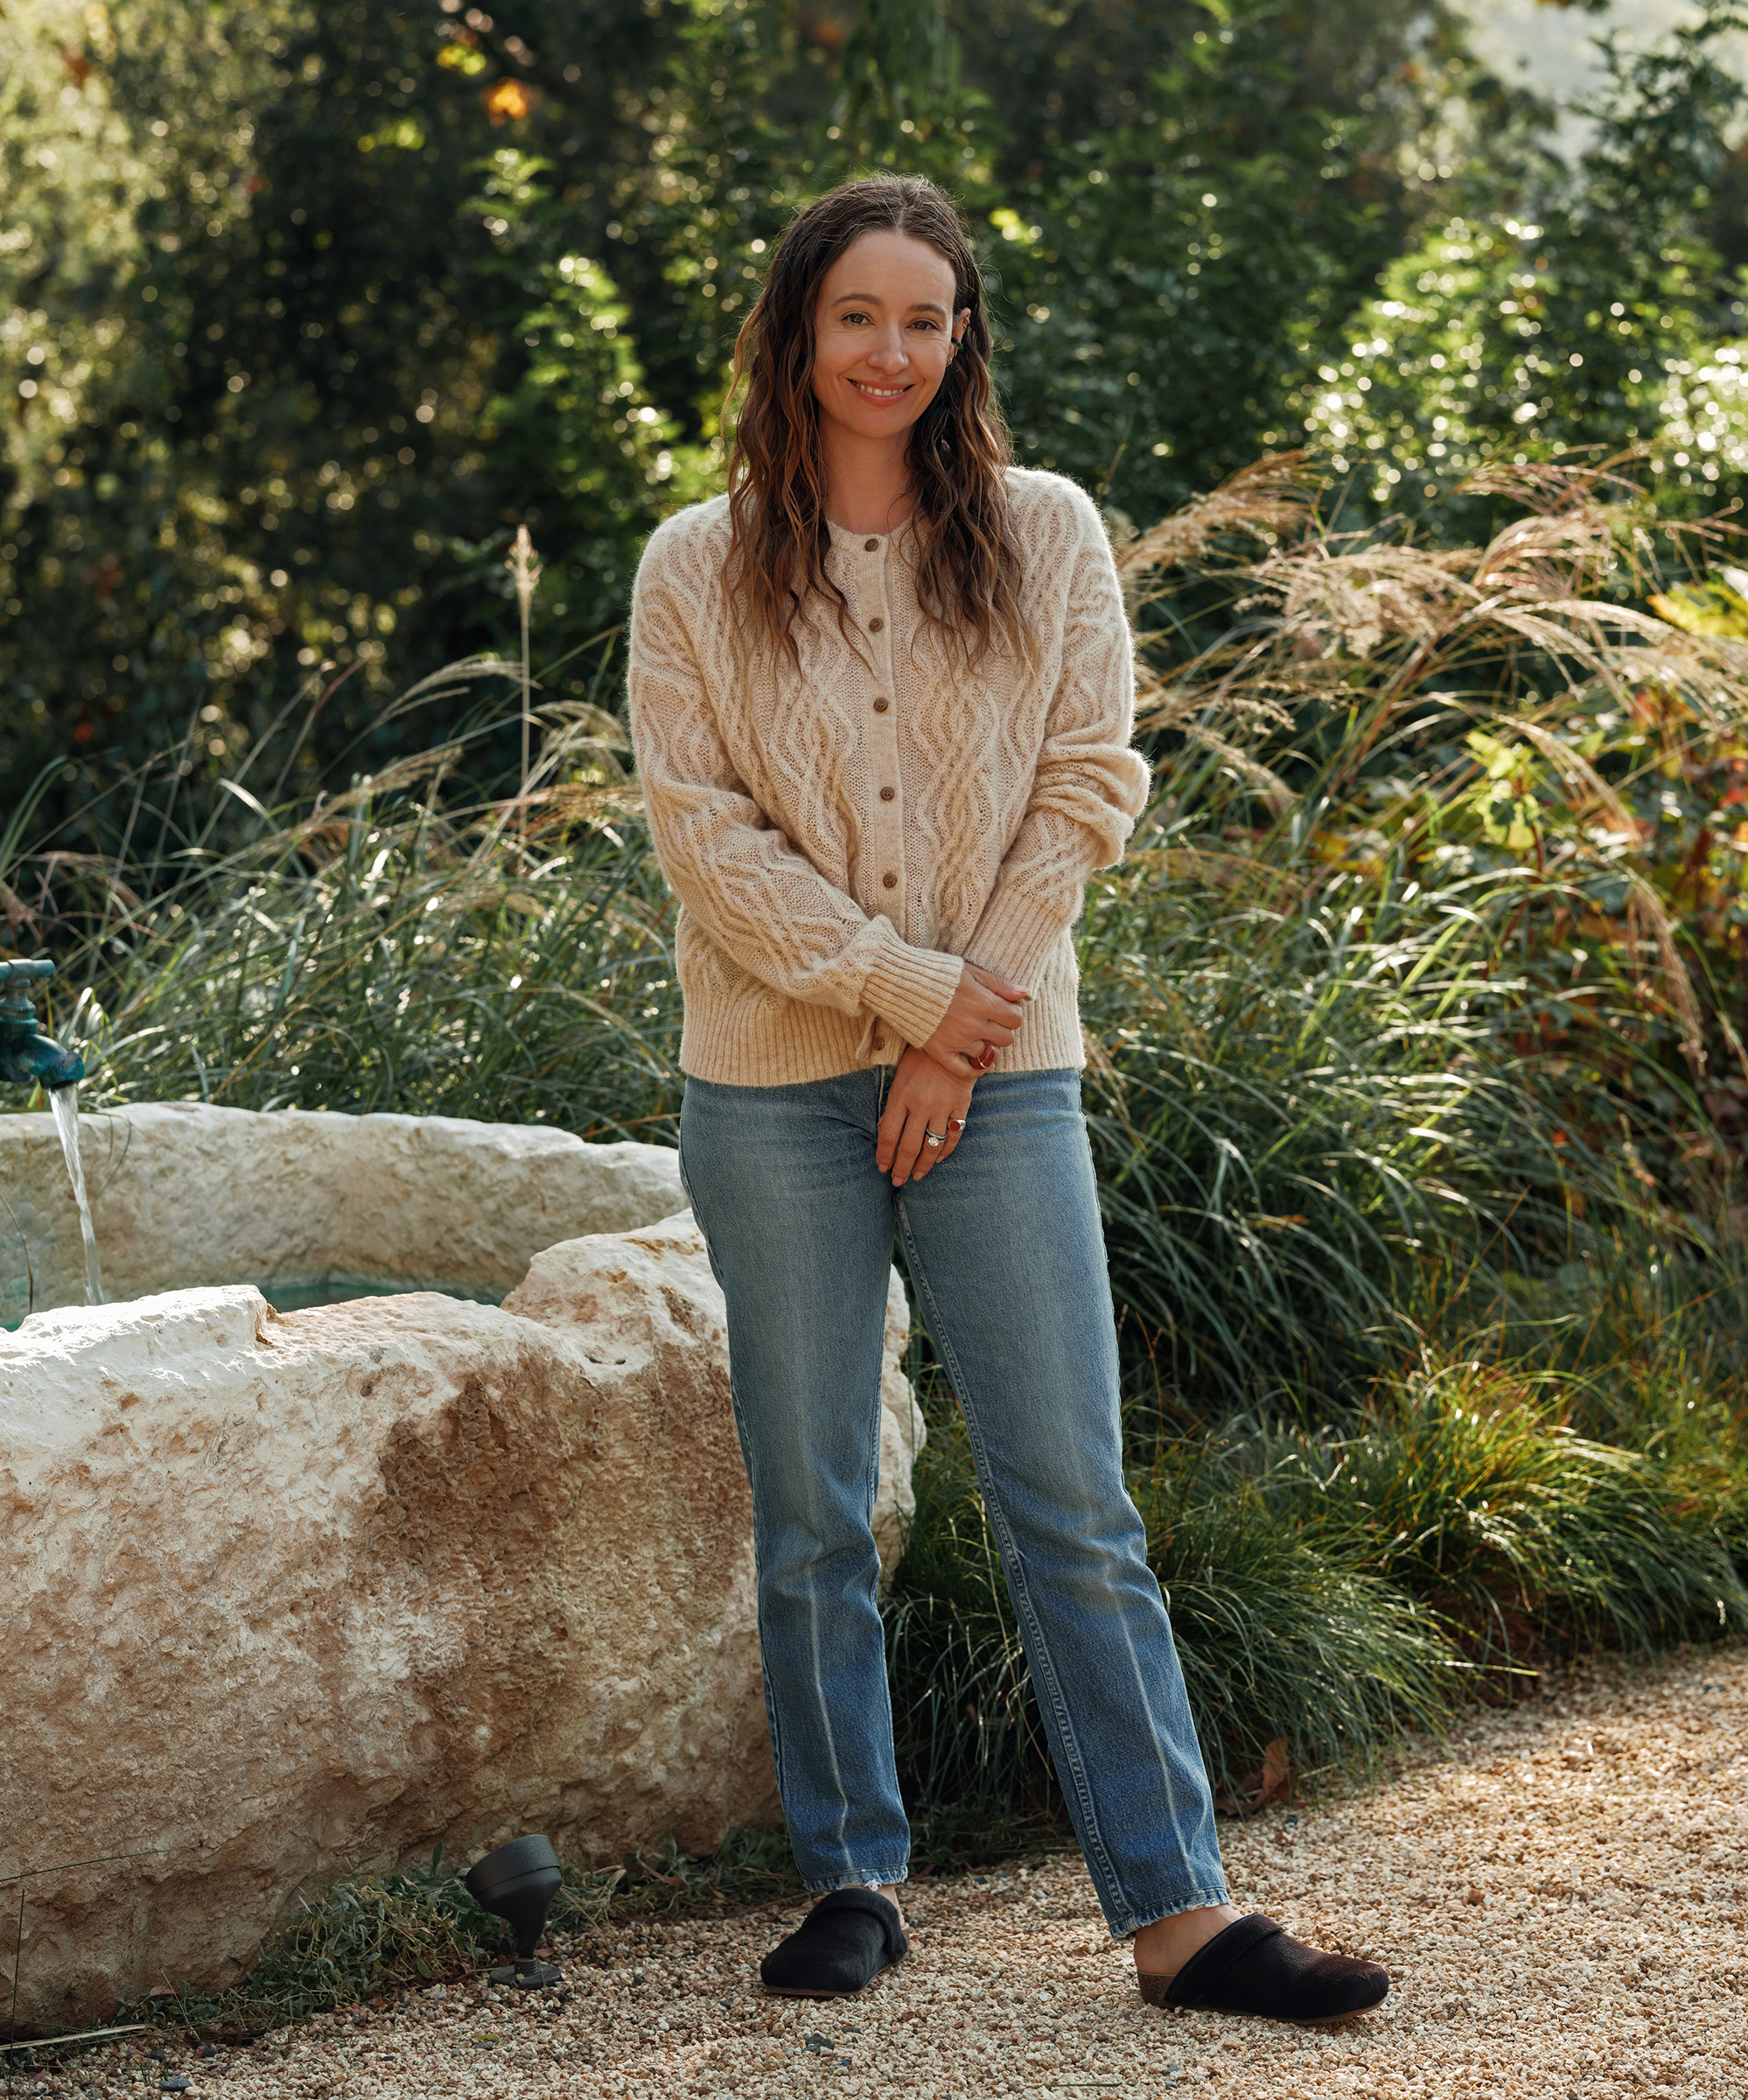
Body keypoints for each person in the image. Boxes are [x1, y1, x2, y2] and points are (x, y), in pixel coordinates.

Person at [626, 172, 1388, 2024]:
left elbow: (1087, 783)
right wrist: (904, 1005)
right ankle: (850, 1877)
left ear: (961, 341)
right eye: (858, 316)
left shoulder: (1045, 535)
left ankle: (1179, 1916)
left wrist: (952, 1041)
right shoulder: (691, 565)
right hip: (771, 1091)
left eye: (926, 318)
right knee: (810, 1507)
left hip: (1005, 1085)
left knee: (1070, 1498)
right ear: (797, 337)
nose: (892, 350)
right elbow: (702, 837)